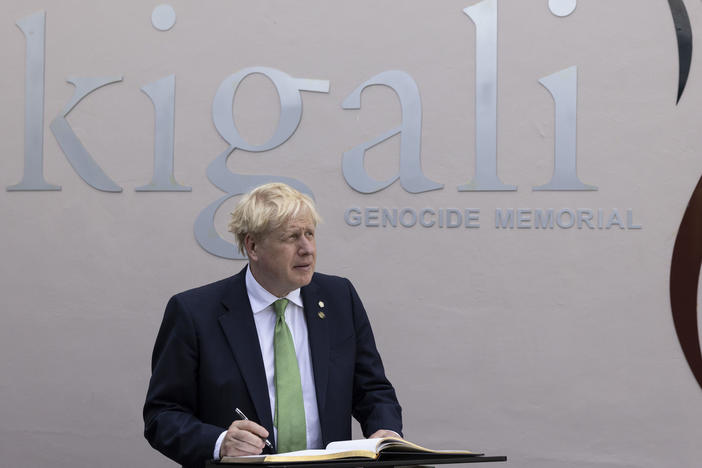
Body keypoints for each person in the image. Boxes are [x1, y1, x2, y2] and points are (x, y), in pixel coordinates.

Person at [143, 182, 402, 468]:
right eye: (291, 237)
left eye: (310, 234)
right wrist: (219, 443)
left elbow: (372, 390)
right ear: (253, 246)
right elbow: (163, 415)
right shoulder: (194, 313)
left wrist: (386, 434)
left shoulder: (340, 298)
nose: (307, 249)